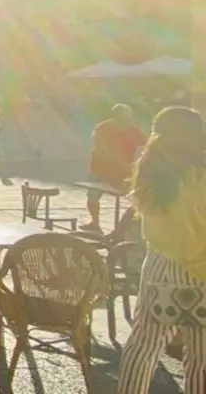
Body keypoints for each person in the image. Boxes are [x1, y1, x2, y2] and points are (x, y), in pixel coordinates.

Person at [118, 106, 206, 393]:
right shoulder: (200, 176)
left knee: (143, 346)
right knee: (200, 355)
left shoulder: (149, 172)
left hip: (158, 267)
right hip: (200, 272)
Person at [85, 103, 145, 231]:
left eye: (128, 118)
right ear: (115, 116)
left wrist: (140, 162)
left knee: (135, 196)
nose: (127, 121)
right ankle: (95, 223)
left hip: (123, 171)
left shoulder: (133, 130)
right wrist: (125, 164)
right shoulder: (102, 128)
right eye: (123, 117)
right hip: (99, 169)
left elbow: (145, 146)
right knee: (93, 196)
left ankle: (126, 227)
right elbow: (103, 150)